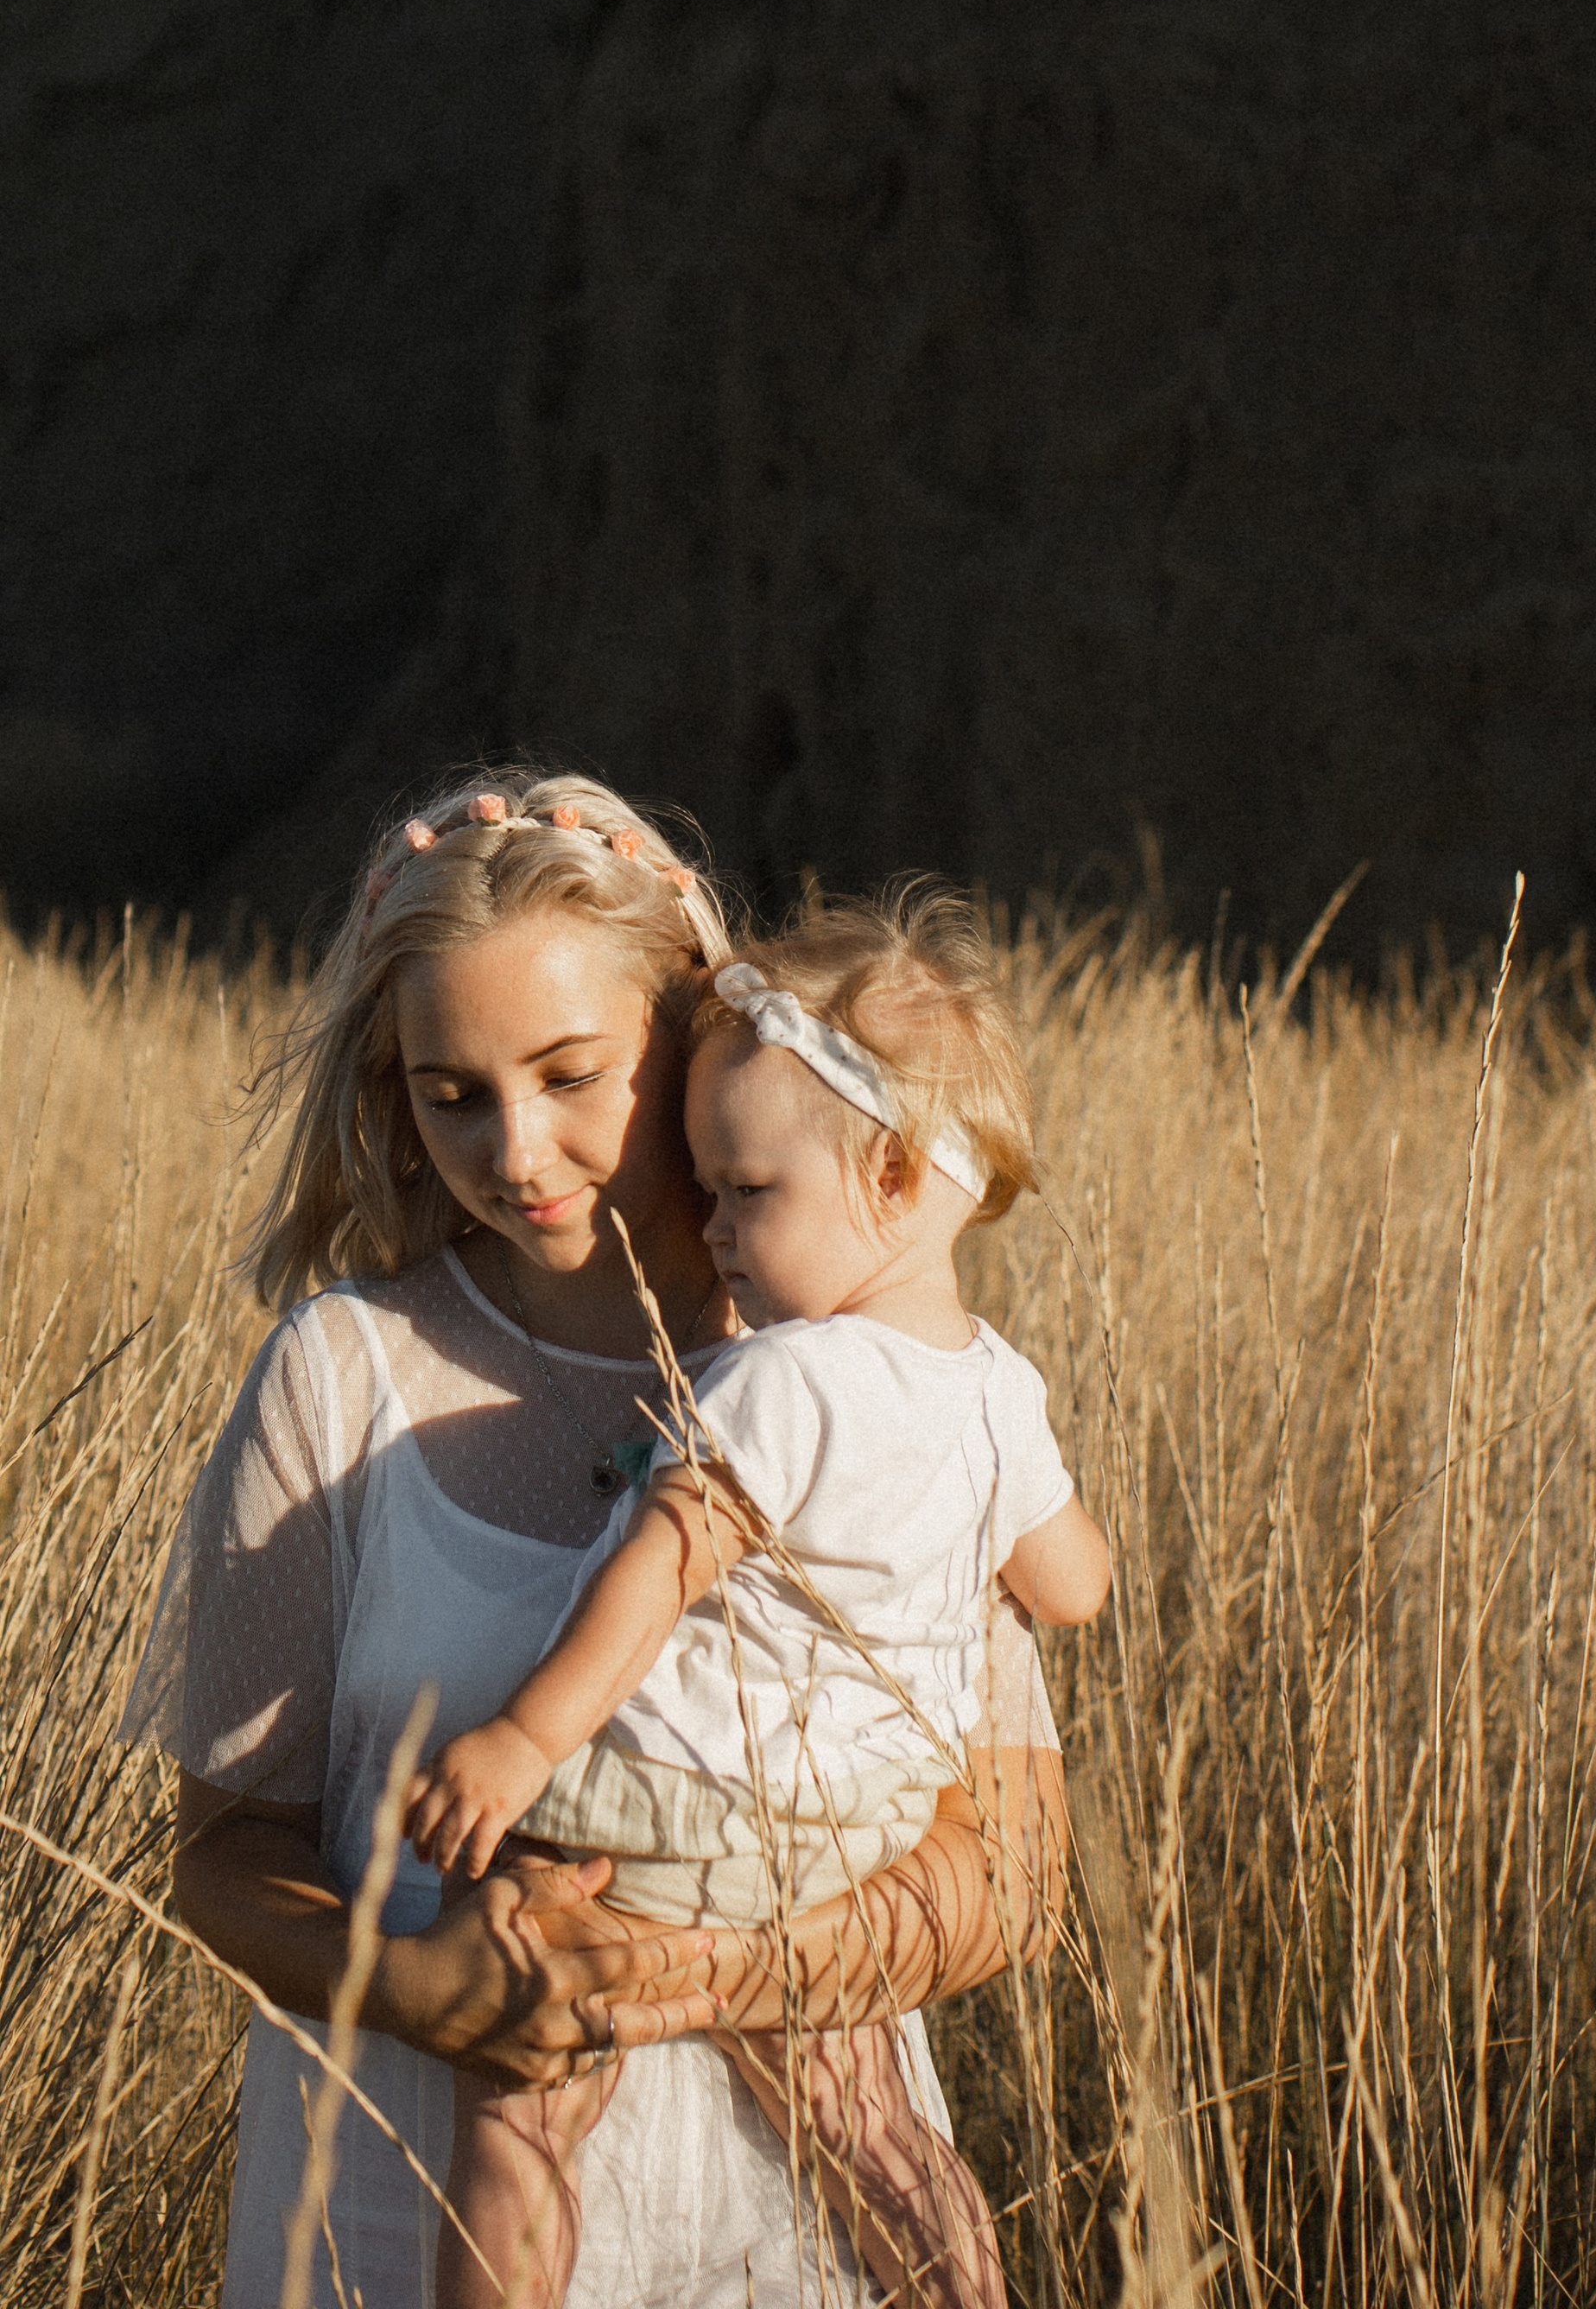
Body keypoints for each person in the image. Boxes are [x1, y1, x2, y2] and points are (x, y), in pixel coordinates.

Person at [124, 773, 1070, 2309]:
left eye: (575, 1074)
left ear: (696, 1037)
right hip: (400, 2203)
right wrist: (430, 1989)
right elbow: (227, 1858)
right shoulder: (342, 1378)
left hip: (798, 2225)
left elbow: (1018, 1867)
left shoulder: (878, 1379)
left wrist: (701, 1976)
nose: (515, 1150)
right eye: (452, 1094)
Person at [404, 901, 1112, 2309]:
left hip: (667, 1805)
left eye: (748, 1192)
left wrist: (527, 1743)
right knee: (877, 2134)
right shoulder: (999, 1393)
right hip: (848, 1839)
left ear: (900, 1173)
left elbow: (658, 1571)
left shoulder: (783, 1379)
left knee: (523, 2107)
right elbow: (1075, 1588)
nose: (714, 1228)